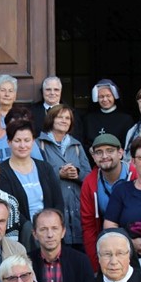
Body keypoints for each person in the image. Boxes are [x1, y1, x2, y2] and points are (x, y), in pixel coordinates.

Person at [0, 120, 64, 244]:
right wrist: (33, 230)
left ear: (33, 141)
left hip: (50, 233)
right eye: (17, 141)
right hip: (22, 236)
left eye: (27, 140)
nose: (23, 145)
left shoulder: (45, 168)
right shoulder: (2, 172)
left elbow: (58, 202)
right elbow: (9, 209)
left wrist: (49, 227)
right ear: (9, 142)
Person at [80, 133, 137, 271]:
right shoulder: (90, 182)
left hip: (137, 246)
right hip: (106, 247)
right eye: (99, 152)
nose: (104, 156)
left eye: (110, 151)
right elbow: (88, 226)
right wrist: (96, 264)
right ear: (93, 157)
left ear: (121, 153)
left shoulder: (135, 175)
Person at [37, 104, 91, 248]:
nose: (64, 120)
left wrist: (77, 174)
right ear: (51, 119)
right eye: (60, 117)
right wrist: (58, 173)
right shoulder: (39, 144)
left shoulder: (77, 146)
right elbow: (35, 175)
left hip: (77, 210)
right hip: (52, 208)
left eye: (68, 118)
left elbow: (90, 178)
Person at [28, 208, 93, 282]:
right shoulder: (26, 262)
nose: (50, 234)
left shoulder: (80, 261)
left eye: (55, 228)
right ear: (35, 234)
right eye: (43, 229)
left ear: (63, 232)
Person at [81, 79, 133, 146]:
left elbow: (128, 144)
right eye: (101, 96)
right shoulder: (88, 119)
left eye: (108, 96)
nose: (105, 99)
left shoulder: (126, 119)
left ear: (114, 96)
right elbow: (84, 142)